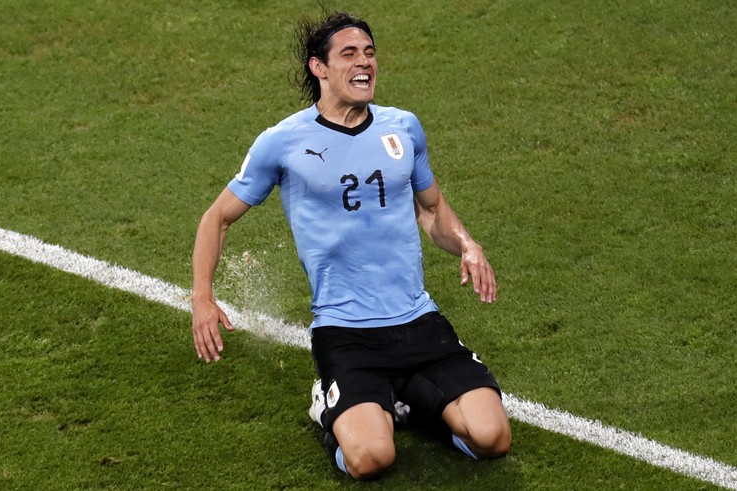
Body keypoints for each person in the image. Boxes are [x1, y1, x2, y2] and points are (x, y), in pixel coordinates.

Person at [191, 10, 511, 480]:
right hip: (346, 332)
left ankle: (406, 402)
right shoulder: (283, 142)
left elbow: (431, 208)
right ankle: (331, 407)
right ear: (318, 68)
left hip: (418, 321)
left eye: (369, 52)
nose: (364, 63)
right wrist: (202, 296)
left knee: (491, 438)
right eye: (348, 54)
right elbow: (216, 218)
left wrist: (466, 243)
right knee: (371, 460)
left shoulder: (402, 127)